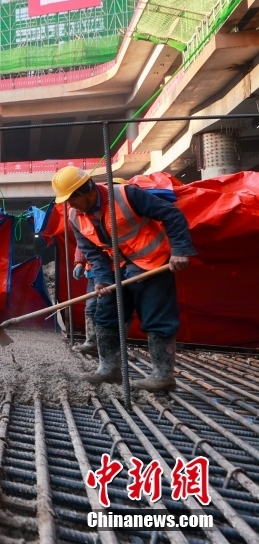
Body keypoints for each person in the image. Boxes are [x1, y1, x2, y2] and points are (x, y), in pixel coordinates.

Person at [52, 166, 196, 392]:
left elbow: (172, 214)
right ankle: (109, 369)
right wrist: (101, 279)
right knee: (106, 314)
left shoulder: (125, 195)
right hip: (116, 267)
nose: (70, 205)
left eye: (72, 199)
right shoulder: (74, 216)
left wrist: (180, 249)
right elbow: (92, 252)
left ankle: (162, 376)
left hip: (152, 261)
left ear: (87, 189)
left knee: (157, 318)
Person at [70, 177, 127, 357]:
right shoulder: (85, 216)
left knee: (118, 309)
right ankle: (92, 342)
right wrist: (79, 262)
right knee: (92, 307)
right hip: (96, 270)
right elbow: (85, 245)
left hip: (123, 267)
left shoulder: (123, 212)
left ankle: (116, 348)